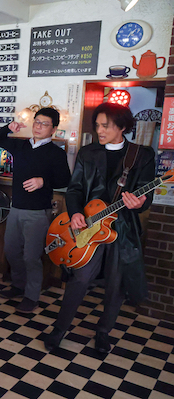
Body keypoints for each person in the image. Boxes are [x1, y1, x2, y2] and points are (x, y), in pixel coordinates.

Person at [44, 103, 155, 354]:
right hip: (88, 224)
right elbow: (75, 189)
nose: (100, 131)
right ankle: (60, 329)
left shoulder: (142, 155)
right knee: (80, 278)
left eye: (106, 126)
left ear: (123, 127)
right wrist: (75, 213)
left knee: (116, 284)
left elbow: (147, 194)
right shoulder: (88, 153)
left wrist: (140, 203)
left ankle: (104, 331)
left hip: (122, 229)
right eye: (97, 125)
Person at [0, 108, 71, 313]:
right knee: (11, 251)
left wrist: (43, 181)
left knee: (31, 256)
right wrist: (8, 128)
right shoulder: (21, 145)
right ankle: (18, 285)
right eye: (37, 122)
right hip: (16, 207)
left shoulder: (56, 153)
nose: (38, 126)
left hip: (37, 211)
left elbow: (65, 180)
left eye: (44, 124)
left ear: (53, 129)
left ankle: (31, 295)